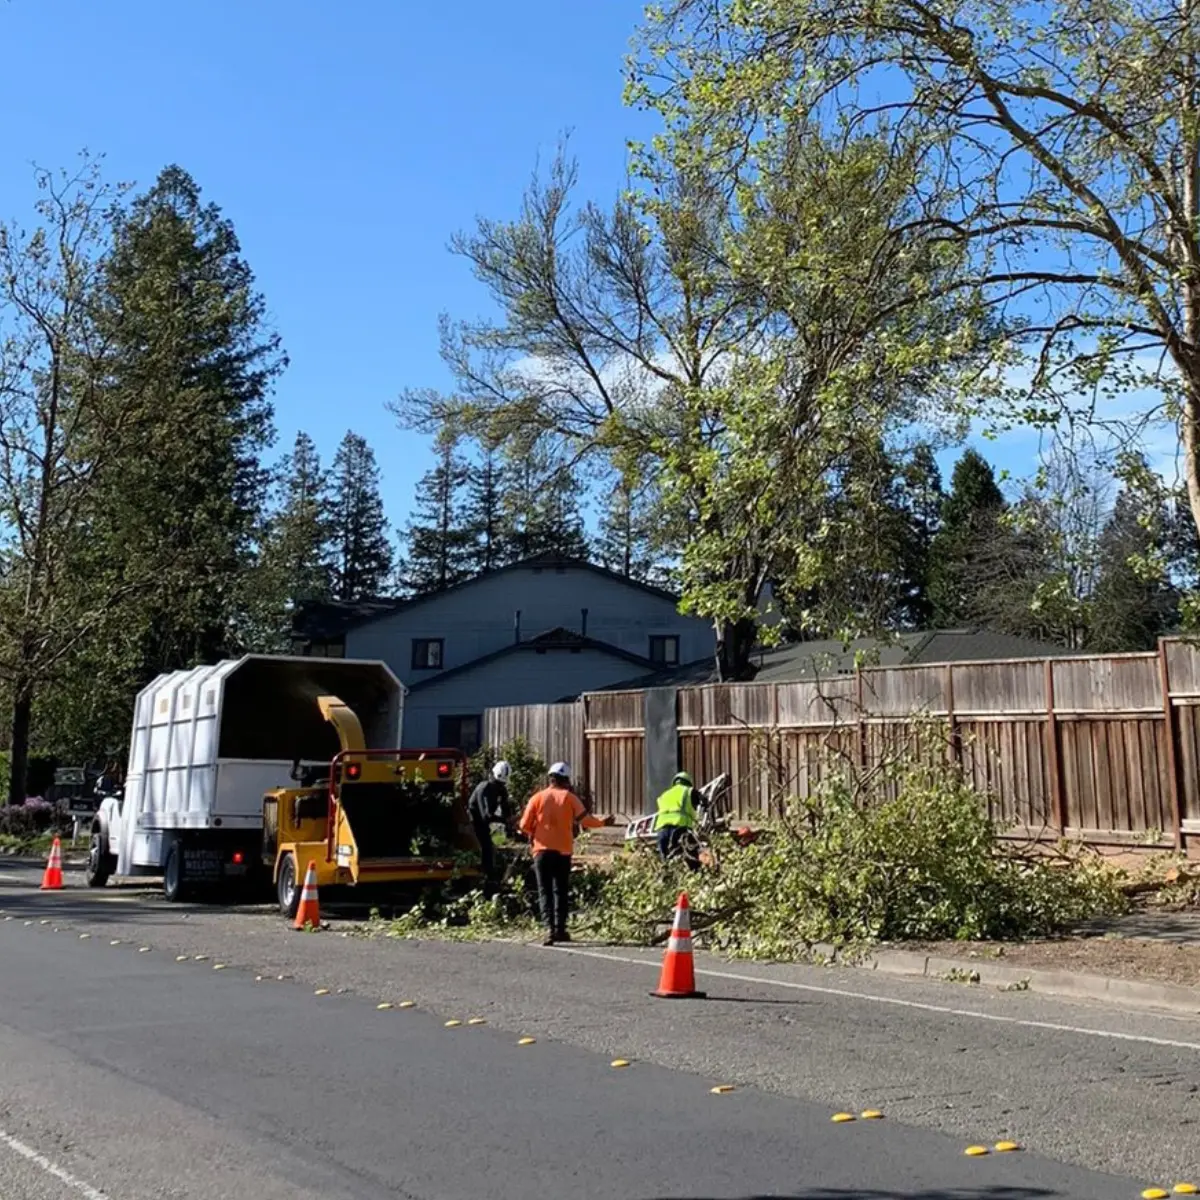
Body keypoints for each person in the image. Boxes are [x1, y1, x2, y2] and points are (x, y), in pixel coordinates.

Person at [518, 762, 609, 945]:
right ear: (566, 780)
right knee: (560, 889)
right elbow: (586, 820)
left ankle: (548, 929)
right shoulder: (570, 798)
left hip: (541, 851)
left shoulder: (537, 798)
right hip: (563, 851)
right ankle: (560, 929)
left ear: (550, 779)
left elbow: (523, 825)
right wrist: (603, 823)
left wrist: (535, 832)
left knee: (544, 890)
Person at [468, 760, 513, 888]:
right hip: (473, 824)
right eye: (499, 783)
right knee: (485, 848)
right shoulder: (484, 788)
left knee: (489, 849)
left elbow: (505, 807)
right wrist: (504, 821)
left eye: (502, 784)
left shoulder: (501, 789)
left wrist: (510, 822)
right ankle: (486, 879)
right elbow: (486, 815)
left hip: (484, 824)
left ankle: (490, 877)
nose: (500, 786)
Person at [654, 770, 700, 870]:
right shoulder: (689, 791)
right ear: (688, 783)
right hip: (679, 829)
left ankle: (666, 877)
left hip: (662, 831)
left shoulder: (665, 794)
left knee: (665, 862)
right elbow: (702, 801)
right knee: (691, 857)